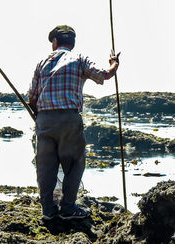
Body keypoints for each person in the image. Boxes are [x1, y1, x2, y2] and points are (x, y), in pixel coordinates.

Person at [27, 25, 120, 220]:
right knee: (74, 165)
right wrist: (114, 64)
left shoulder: (42, 62)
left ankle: (48, 211)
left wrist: (39, 116)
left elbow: (32, 98)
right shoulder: (79, 59)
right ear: (72, 43)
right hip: (69, 119)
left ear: (55, 42)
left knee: (45, 168)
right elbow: (104, 74)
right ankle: (68, 208)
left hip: (44, 120)